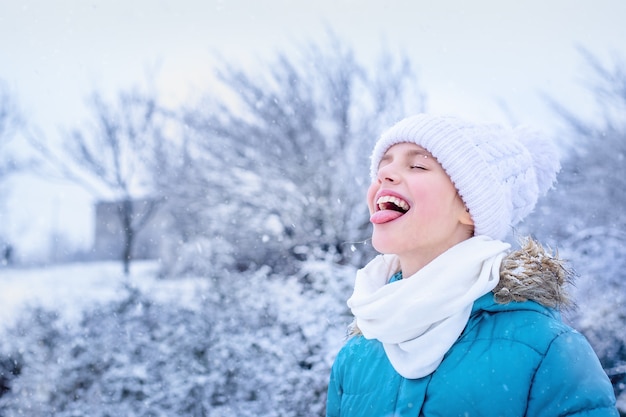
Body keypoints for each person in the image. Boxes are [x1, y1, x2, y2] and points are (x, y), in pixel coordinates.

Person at [326, 114, 618, 416]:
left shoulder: (546, 350)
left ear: (470, 206)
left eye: (417, 165)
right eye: (383, 165)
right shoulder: (356, 354)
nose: (385, 174)